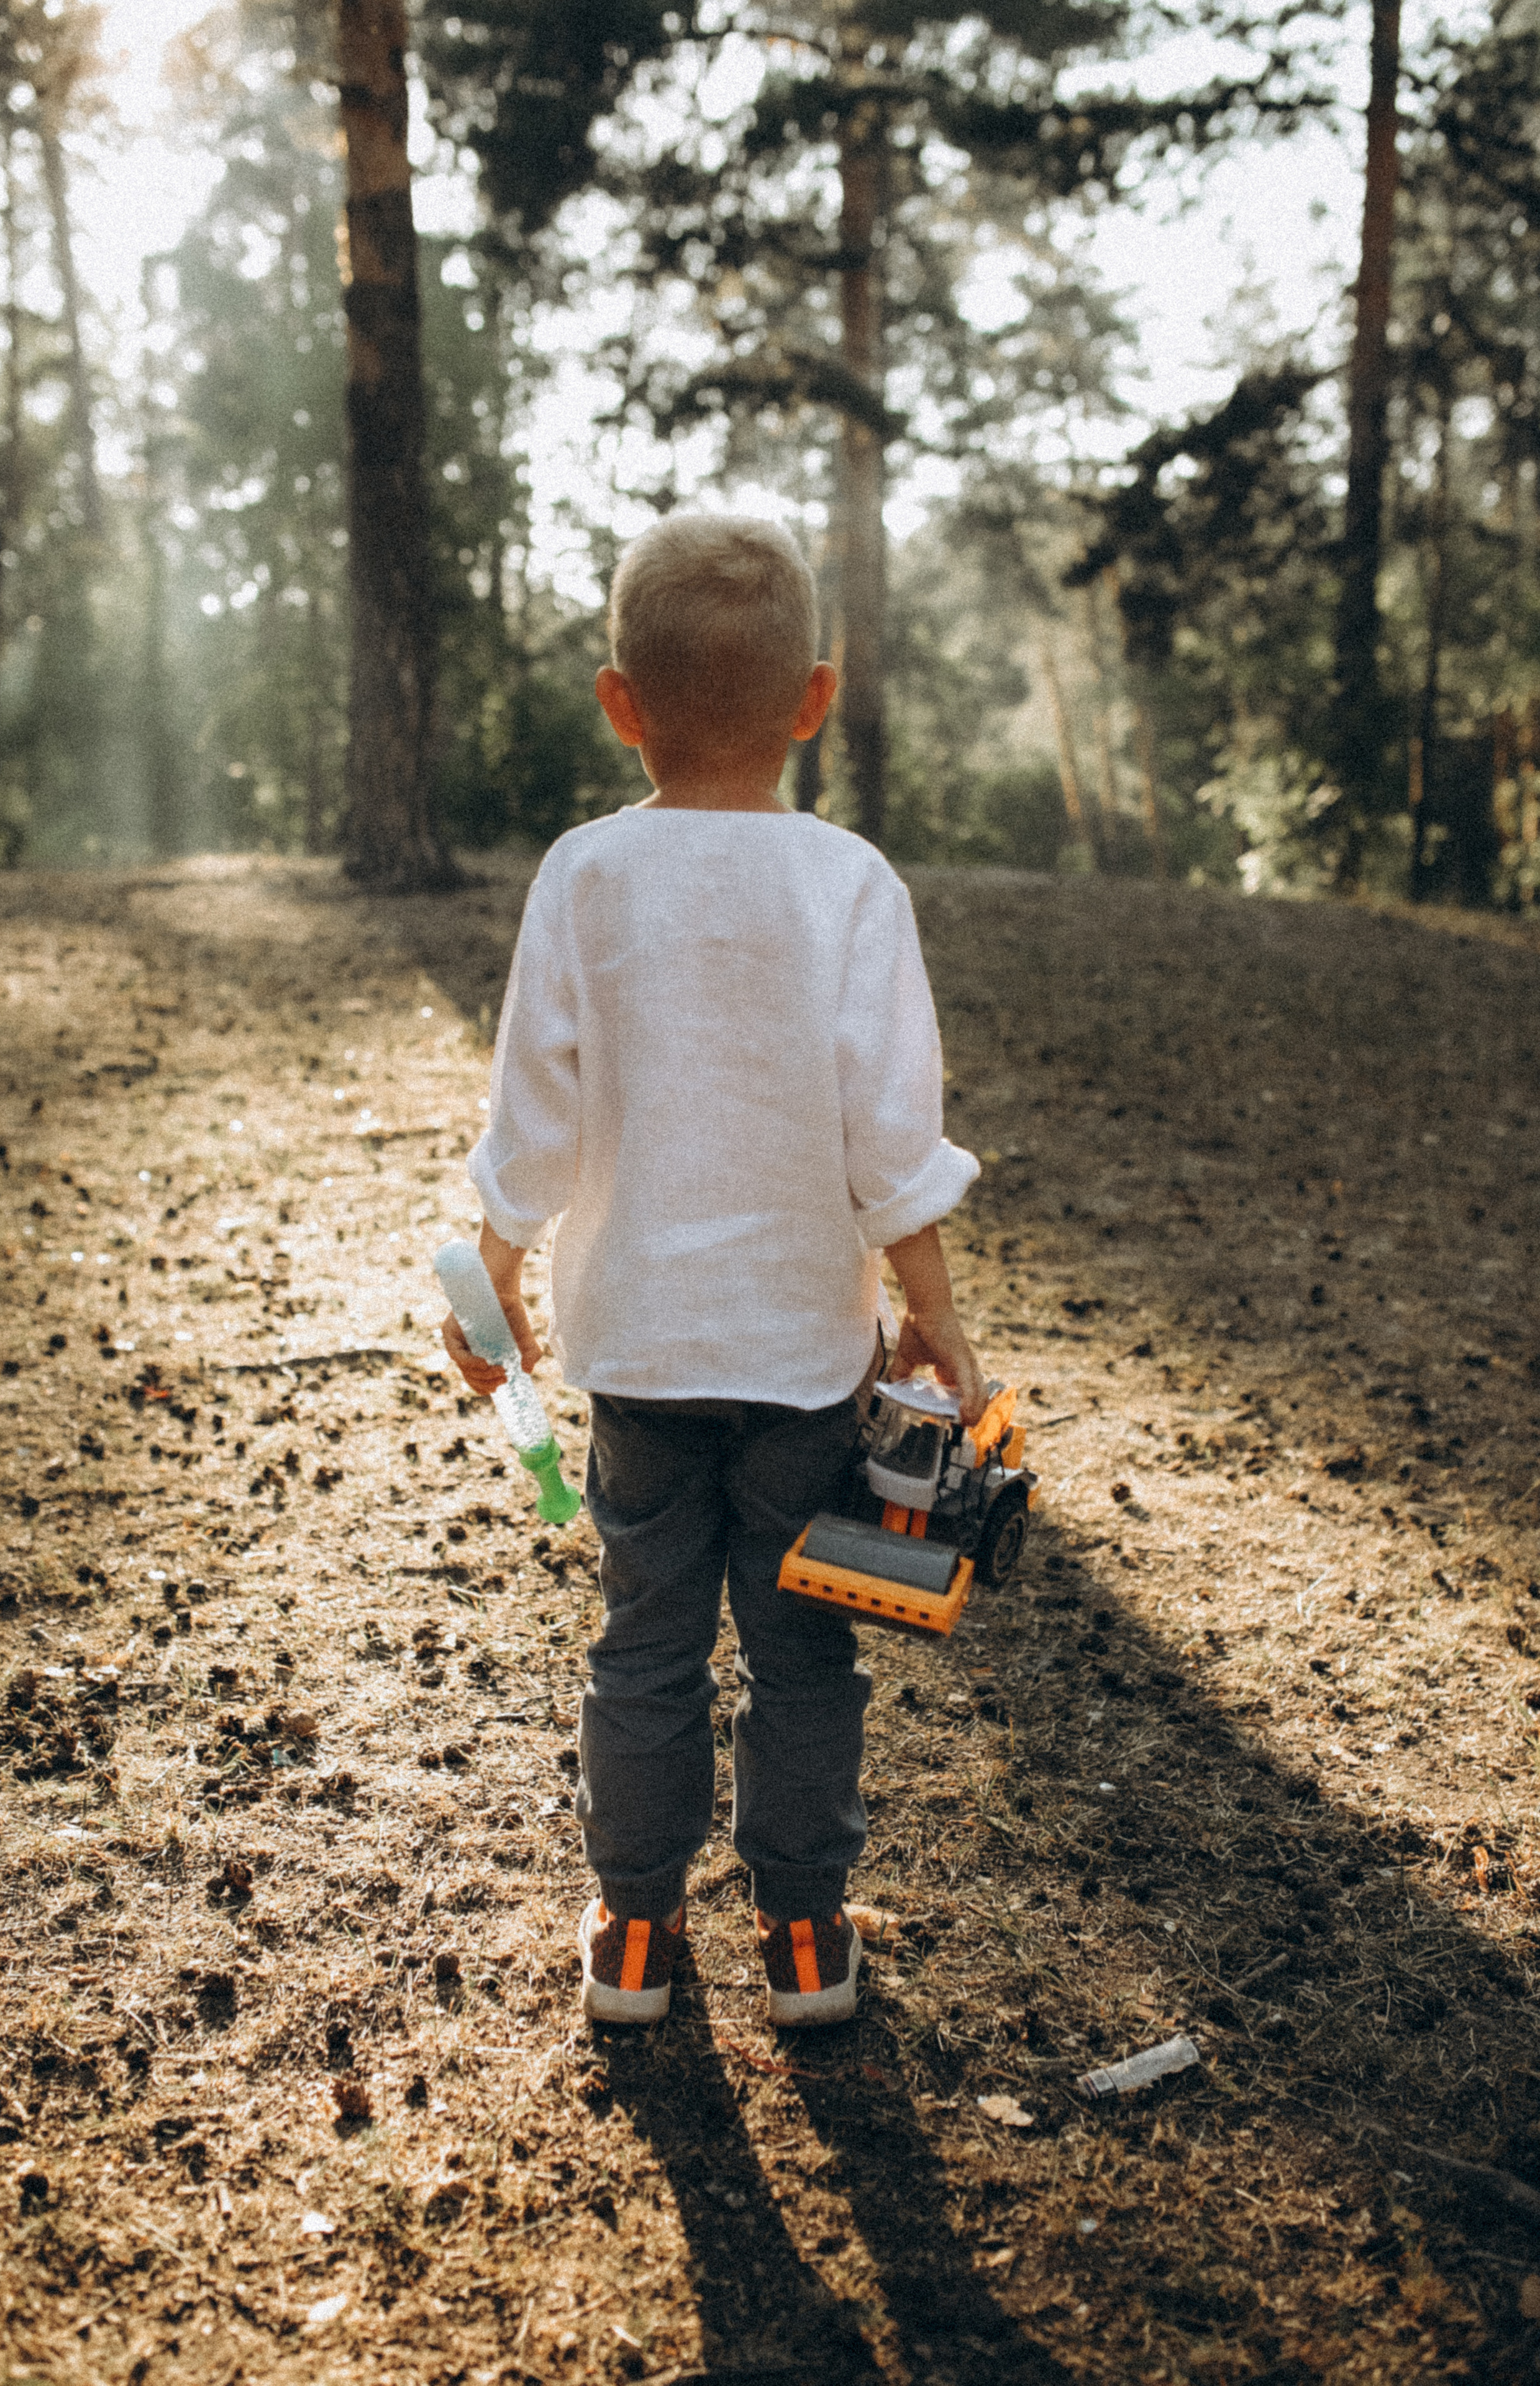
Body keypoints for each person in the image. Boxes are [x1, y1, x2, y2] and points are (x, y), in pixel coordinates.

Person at [441, 514, 984, 2028]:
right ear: (813, 701)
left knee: (645, 1647)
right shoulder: (850, 885)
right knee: (805, 1652)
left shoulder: (586, 874)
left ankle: (632, 1939)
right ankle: (806, 1942)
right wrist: (932, 1312)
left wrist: (489, 1272)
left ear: (619, 701)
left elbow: (533, 1112)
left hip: (641, 1356)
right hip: (809, 1356)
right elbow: (892, 1133)